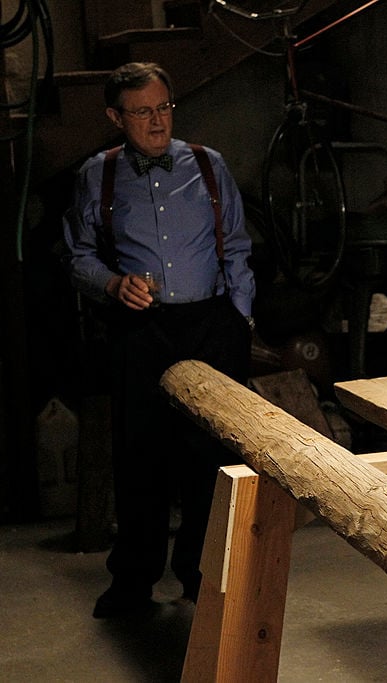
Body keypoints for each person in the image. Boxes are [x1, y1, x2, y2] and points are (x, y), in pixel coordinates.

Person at [63, 62, 256, 618]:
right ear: (114, 117)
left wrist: (238, 321)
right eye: (143, 111)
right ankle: (132, 581)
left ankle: (202, 576)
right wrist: (112, 284)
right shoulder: (97, 175)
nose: (157, 120)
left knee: (212, 456)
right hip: (141, 331)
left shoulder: (208, 165)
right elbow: (78, 258)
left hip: (210, 325)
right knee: (140, 455)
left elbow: (237, 248)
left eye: (165, 107)